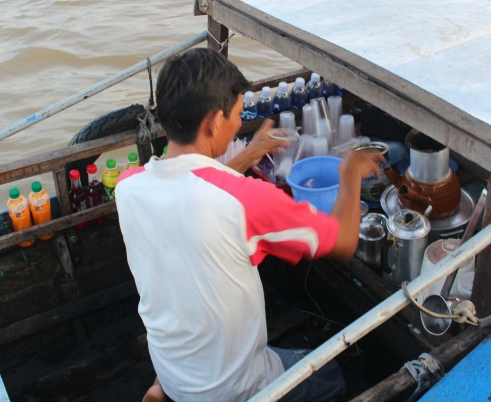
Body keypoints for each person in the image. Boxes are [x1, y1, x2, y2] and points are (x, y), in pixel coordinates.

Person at [116, 48, 383, 402]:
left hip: (174, 373)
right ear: (214, 121)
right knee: (331, 376)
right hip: (235, 390)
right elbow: (344, 241)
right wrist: (349, 172)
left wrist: (248, 156)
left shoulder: (129, 186)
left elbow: (196, 186)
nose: (240, 125)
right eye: (238, 115)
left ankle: (161, 389)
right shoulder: (247, 200)